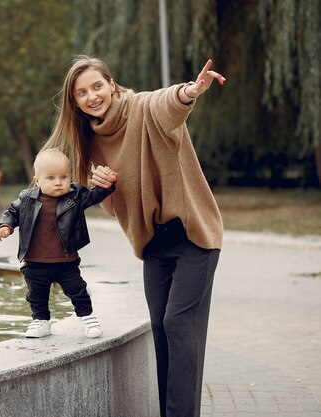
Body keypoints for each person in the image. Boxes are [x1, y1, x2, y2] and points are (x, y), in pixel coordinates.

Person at [41, 56, 225, 417]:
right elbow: (114, 208)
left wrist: (191, 91)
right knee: (159, 326)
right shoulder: (89, 143)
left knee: (178, 324)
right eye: (82, 93)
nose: (92, 96)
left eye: (97, 86)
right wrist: (101, 188)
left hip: (193, 236)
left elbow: (167, 103)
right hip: (153, 245)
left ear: (111, 84)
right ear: (75, 102)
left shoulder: (141, 107)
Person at [0, 148, 117, 339]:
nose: (59, 182)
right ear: (37, 181)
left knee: (78, 290)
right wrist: (6, 226)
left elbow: (94, 196)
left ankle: (87, 317)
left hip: (66, 262)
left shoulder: (75, 196)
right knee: (36, 295)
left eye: (63, 177)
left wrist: (107, 185)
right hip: (35, 262)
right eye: (51, 178)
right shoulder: (26, 199)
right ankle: (41, 321)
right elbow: (12, 212)